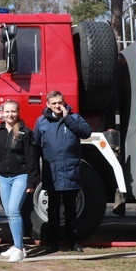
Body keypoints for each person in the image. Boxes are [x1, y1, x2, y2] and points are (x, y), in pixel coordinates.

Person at [34, 91, 92, 253]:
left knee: (71, 210)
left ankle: (73, 243)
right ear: (48, 104)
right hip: (51, 173)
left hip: (70, 171)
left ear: (64, 102)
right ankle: (52, 243)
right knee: (52, 210)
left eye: (60, 102)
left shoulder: (74, 118)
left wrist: (68, 118)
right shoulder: (41, 122)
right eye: (54, 103)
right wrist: (35, 171)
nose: (57, 106)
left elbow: (86, 133)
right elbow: (36, 147)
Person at [0, 100, 38, 263]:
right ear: (1, 113)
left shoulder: (25, 132)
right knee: (9, 212)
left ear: (18, 112)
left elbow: (32, 158)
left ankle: (20, 247)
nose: (10, 115)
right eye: (7, 112)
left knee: (14, 210)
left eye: (13, 112)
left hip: (20, 176)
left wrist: (31, 181)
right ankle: (16, 246)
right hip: (3, 178)